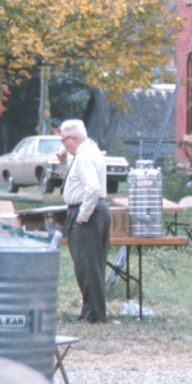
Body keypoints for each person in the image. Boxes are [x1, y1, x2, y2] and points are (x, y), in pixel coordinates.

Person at [60, 118, 110, 324]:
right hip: (94, 210)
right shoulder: (86, 153)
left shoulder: (85, 156)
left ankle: (95, 314)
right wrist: (62, 163)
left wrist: (82, 215)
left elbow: (92, 189)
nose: (63, 145)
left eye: (63, 140)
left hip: (89, 213)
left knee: (87, 266)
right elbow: (73, 183)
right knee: (89, 266)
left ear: (73, 138)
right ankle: (90, 310)